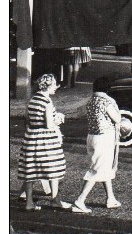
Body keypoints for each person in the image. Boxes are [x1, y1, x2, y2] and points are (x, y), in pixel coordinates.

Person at [18, 74, 69, 211]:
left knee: (30, 170)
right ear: (49, 86)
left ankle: (29, 202)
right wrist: (58, 119)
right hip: (46, 139)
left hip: (31, 137)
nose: (55, 89)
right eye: (54, 86)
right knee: (53, 169)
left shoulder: (32, 100)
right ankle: (55, 200)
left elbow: (27, 121)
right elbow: (49, 124)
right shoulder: (47, 102)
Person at [71, 77, 122, 213]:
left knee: (102, 168)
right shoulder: (107, 102)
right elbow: (117, 119)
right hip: (104, 138)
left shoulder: (91, 101)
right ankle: (80, 201)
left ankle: (110, 198)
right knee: (97, 170)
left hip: (92, 136)